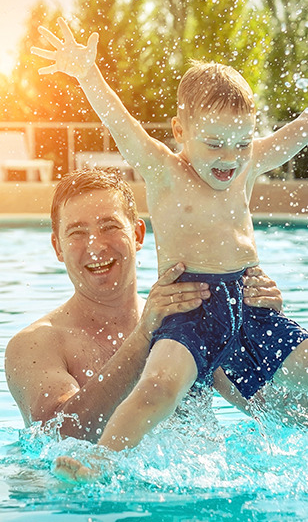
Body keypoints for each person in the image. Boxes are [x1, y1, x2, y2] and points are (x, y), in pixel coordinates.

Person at [30, 19, 307, 480]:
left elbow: (296, 134)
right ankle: (99, 459)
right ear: (180, 131)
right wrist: (86, 74)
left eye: (242, 142)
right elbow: (121, 122)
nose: (229, 157)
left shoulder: (246, 162)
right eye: (215, 143)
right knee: (156, 389)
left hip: (252, 305)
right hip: (190, 305)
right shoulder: (163, 170)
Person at [4, 168, 279, 445]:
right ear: (58, 247)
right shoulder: (36, 345)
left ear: (137, 234)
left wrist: (264, 328)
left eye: (109, 227)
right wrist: (144, 336)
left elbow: (278, 411)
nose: (95, 246)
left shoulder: (187, 324)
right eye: (77, 232)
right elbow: (58, 438)